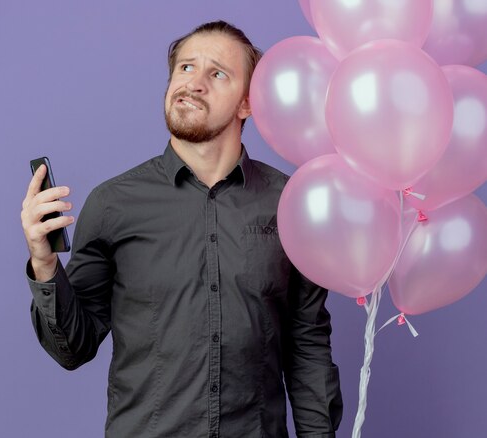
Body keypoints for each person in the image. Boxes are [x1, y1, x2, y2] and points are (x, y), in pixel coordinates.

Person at [21, 20, 342, 438]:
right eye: (186, 68)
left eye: (217, 73)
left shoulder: (292, 204)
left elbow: (308, 349)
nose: (194, 83)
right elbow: (72, 348)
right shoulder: (113, 204)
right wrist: (44, 263)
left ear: (247, 103)